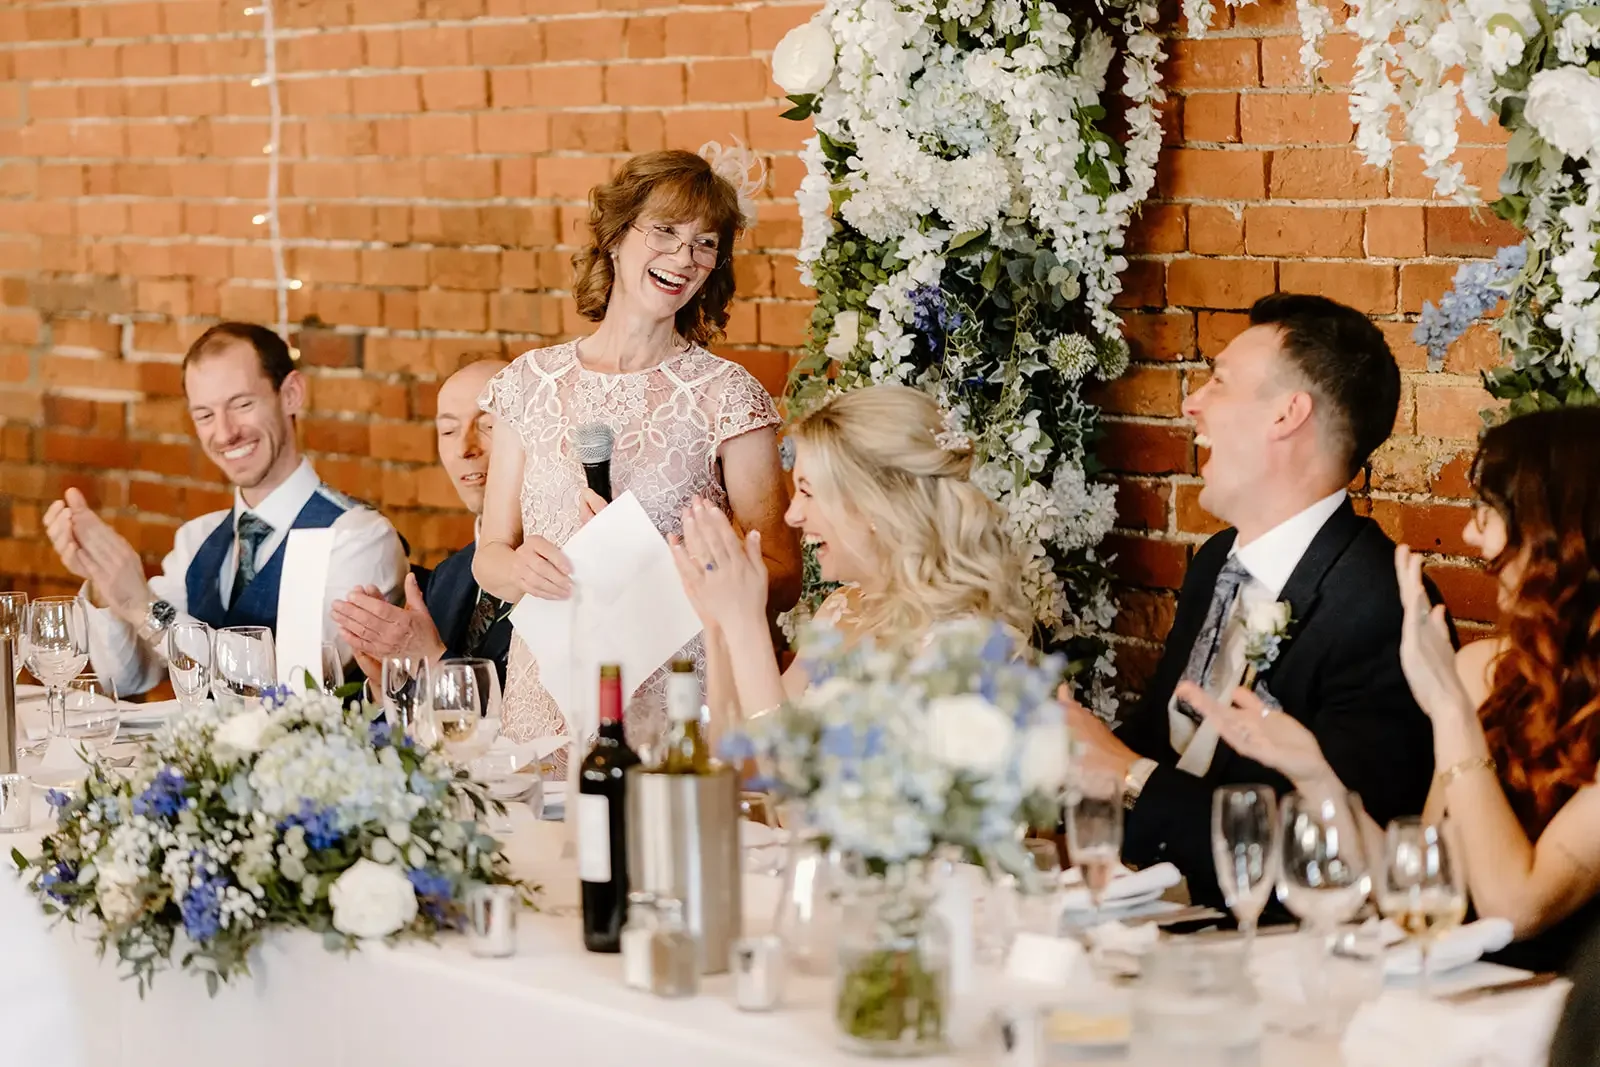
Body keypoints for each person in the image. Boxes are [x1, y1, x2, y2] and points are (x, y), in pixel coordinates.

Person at [1192, 407, 1600, 973]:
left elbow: (1517, 908)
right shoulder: (1485, 670)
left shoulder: (1470, 692)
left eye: (1491, 511)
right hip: (1455, 995)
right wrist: (1314, 774)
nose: (1469, 533)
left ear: (1563, 535)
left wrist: (1452, 714)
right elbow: (1419, 888)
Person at [1062, 293, 1436, 908]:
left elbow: (1321, 851)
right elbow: (1165, 744)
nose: (1192, 404)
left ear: (1287, 415)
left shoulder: (1383, 607)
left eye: (1219, 382)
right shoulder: (1216, 562)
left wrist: (1126, 775)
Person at [473, 147, 802, 759]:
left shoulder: (727, 397)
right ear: (618, 236)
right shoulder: (528, 382)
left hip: (677, 696)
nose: (685, 257)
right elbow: (489, 553)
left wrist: (658, 571)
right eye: (667, 231)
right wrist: (517, 569)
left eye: (706, 243)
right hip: (546, 690)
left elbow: (782, 579)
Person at [43, 322, 408, 697]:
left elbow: (298, 681)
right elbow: (127, 679)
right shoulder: (196, 539)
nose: (225, 432)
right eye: (204, 415)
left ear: (291, 395)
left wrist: (143, 607)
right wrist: (107, 585)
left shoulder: (356, 536)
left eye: (242, 404)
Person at [671, 383, 1036, 737]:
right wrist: (718, 625)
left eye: (807, 492)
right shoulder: (840, 611)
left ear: (873, 505)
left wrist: (746, 626)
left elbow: (786, 771)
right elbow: (738, 757)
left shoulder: (967, 644)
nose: (792, 515)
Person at [332, 357, 514, 689]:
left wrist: (429, 660)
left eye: (489, 426)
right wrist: (387, 683)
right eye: (448, 430)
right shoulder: (448, 576)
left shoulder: (563, 571)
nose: (464, 448)